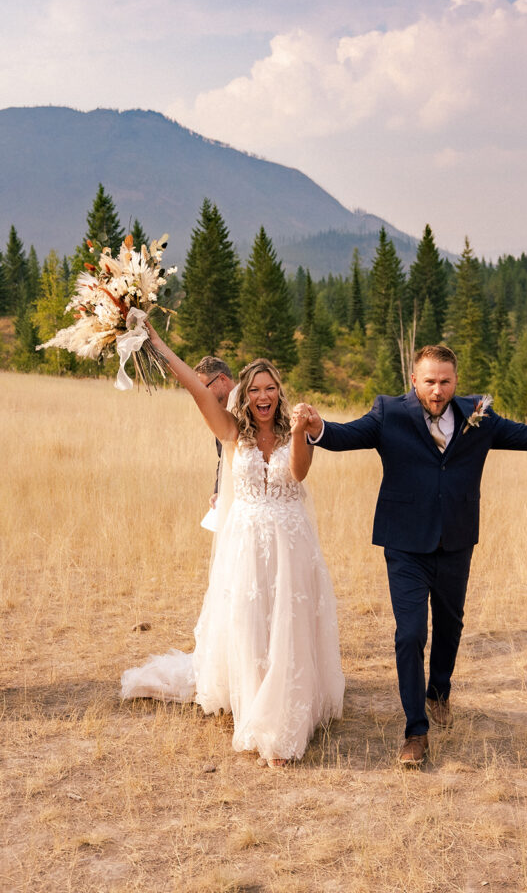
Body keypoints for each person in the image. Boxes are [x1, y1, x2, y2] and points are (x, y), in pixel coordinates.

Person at [296, 344, 527, 766]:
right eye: (429, 381)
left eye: (445, 381)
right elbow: (344, 436)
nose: (437, 390)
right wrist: (318, 428)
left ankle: (439, 690)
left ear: (455, 380)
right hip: (404, 542)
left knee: (450, 623)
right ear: (413, 381)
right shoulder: (390, 413)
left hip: (456, 539)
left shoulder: (479, 414)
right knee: (409, 634)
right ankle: (415, 731)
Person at [121, 324, 344, 768]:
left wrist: (300, 431)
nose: (264, 396)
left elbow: (298, 474)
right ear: (244, 395)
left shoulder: (291, 431)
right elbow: (192, 385)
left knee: (287, 626)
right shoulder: (231, 431)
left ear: (280, 393)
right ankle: (256, 705)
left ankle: (282, 723)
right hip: (246, 545)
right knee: (251, 626)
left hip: (290, 545)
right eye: (256, 389)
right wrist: (157, 344)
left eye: (272, 388)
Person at [194, 355, 236, 507]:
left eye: (206, 387)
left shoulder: (251, 403)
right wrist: (218, 490)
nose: (203, 395)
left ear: (222, 379)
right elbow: (223, 456)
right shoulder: (219, 411)